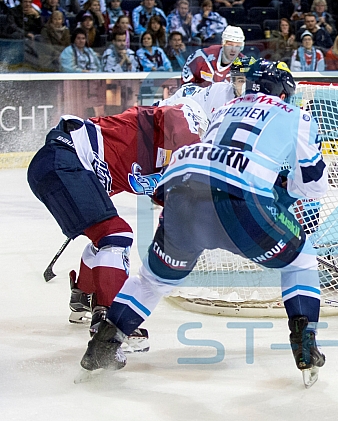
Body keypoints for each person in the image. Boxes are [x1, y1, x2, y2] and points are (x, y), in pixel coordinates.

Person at [77, 60, 328, 388]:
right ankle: (305, 344)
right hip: (238, 203)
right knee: (302, 258)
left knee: (152, 281)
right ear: (283, 92)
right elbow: (315, 184)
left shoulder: (224, 109)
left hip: (182, 194)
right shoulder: (297, 116)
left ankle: (102, 347)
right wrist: (283, 188)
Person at [27, 100, 207, 351]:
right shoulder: (172, 115)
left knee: (105, 236)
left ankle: (84, 294)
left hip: (60, 168)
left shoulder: (159, 167)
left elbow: (170, 197)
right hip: (66, 157)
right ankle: (111, 321)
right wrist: (199, 161)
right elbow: (175, 117)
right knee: (116, 235)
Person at [182, 25, 246, 86]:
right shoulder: (202, 56)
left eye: (237, 46)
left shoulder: (245, 65)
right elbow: (186, 80)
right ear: (223, 44)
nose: (233, 50)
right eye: (230, 45)